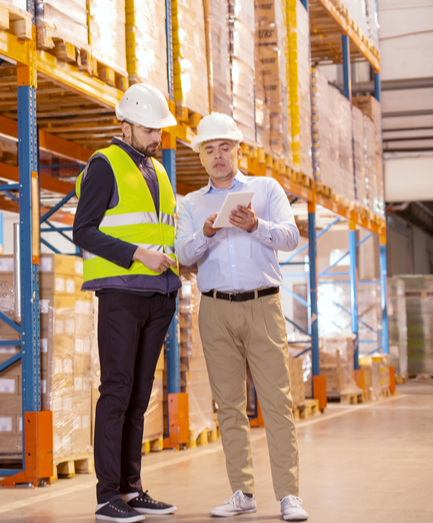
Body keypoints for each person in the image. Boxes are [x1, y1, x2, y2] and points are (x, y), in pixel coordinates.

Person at [174, 113, 309, 521]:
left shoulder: (266, 190)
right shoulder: (192, 204)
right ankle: (241, 491)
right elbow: (182, 255)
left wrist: (256, 225)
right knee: (229, 406)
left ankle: (289, 495)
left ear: (238, 150)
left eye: (224, 148)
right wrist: (206, 235)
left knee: (276, 401)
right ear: (201, 156)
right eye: (209, 150)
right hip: (214, 309)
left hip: (262, 305)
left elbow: (291, 236)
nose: (217, 156)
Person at [72, 83, 180, 523]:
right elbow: (83, 231)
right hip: (121, 294)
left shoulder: (159, 171)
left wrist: (177, 262)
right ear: (126, 125)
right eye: (150, 129)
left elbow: (160, 231)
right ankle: (106, 496)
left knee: (138, 395)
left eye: (159, 130)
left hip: (161, 295)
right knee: (116, 392)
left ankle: (131, 489)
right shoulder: (105, 164)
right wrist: (137, 254)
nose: (157, 138)